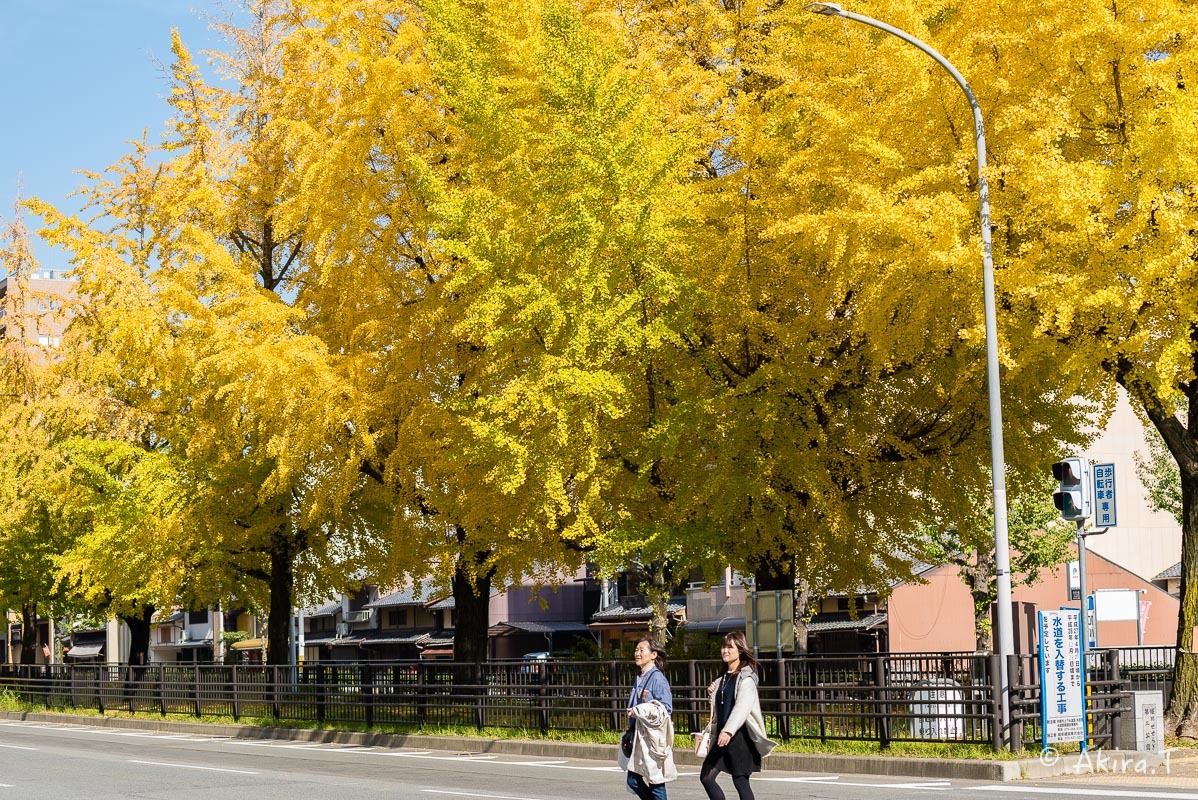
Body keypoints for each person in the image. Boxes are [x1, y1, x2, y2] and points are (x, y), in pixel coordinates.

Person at [699, 631, 777, 800]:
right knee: (706, 777)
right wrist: (712, 693)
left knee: (740, 781)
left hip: (739, 738)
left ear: (740, 650)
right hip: (722, 736)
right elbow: (722, 705)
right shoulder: (722, 678)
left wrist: (728, 731)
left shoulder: (746, 680)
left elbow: (741, 708)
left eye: (730, 647)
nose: (725, 650)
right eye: (723, 646)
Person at [619, 636, 677, 799]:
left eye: (641, 650)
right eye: (636, 650)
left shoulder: (657, 678)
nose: (637, 653)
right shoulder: (639, 677)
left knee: (655, 783)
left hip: (652, 739)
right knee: (634, 779)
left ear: (653, 655)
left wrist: (641, 710)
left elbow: (666, 708)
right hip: (639, 736)